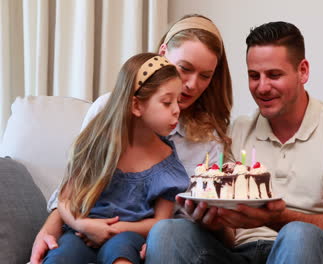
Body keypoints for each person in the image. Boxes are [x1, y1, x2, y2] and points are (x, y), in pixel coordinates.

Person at [30, 14, 233, 263]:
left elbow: (179, 222)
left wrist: (156, 240)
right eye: (185, 68)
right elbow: (74, 187)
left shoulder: (208, 140)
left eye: (205, 76)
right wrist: (56, 228)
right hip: (82, 229)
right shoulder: (108, 111)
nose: (191, 85)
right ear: (163, 53)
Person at [146, 21, 323, 263]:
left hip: (305, 249)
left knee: (297, 235)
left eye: (274, 75)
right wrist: (210, 220)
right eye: (254, 76)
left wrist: (275, 218)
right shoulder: (236, 131)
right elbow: (229, 237)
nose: (262, 87)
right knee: (168, 231)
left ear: (303, 71)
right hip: (242, 253)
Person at [41, 53, 189, 263]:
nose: (177, 110)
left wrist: (116, 229)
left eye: (178, 100)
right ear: (136, 105)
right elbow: (65, 199)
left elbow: (161, 222)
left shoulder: (166, 163)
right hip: (80, 232)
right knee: (61, 257)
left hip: (129, 236)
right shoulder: (97, 144)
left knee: (122, 256)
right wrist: (84, 225)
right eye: (167, 102)